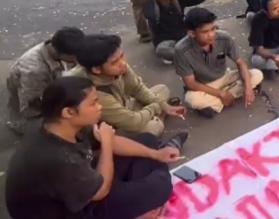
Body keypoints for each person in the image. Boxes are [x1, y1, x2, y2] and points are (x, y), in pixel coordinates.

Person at [5, 77, 179, 219]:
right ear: (68, 112)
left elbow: (109, 140)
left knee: (148, 141)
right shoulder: (58, 158)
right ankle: (138, 204)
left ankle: (137, 198)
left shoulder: (59, 124)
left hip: (80, 184)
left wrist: (155, 154)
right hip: (73, 211)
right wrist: (107, 143)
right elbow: (100, 191)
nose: (100, 107)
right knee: (160, 184)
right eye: (93, 103)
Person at [66, 34, 185, 137]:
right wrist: (156, 107)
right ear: (96, 70)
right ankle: (158, 117)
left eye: (122, 56)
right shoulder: (90, 90)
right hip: (108, 128)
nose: (123, 63)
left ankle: (156, 114)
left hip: (123, 108)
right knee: (152, 128)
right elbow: (133, 123)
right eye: (114, 62)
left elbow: (137, 89)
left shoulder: (119, 67)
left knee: (162, 89)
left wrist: (163, 106)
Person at [175, 8, 263, 118]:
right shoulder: (181, 50)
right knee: (191, 100)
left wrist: (248, 87)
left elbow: (240, 63)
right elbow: (191, 83)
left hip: (225, 76)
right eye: (205, 32)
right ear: (192, 33)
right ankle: (228, 95)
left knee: (256, 74)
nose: (211, 35)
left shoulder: (224, 38)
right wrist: (221, 94)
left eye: (213, 29)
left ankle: (215, 104)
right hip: (203, 85)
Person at [6, 27, 85, 134]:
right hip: (31, 104)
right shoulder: (34, 71)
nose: (77, 59)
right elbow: (32, 106)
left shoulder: (56, 47)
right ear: (63, 53)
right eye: (74, 57)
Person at [144, 0, 206, 64]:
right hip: (166, 41)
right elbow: (150, 16)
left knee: (207, 30)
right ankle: (190, 55)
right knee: (162, 50)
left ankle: (185, 55)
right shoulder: (152, 5)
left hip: (183, 36)